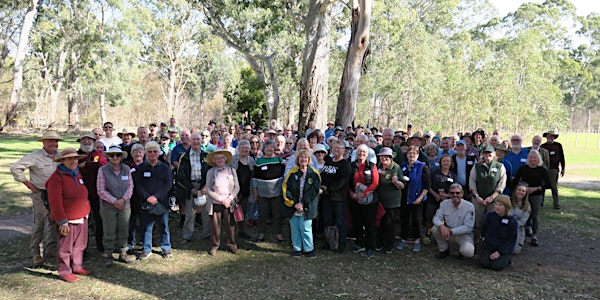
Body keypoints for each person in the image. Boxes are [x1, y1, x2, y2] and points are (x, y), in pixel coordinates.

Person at [10, 130, 62, 267]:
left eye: (55, 141)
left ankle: (50, 249)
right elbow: (15, 168)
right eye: (50, 140)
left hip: (56, 194)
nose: (53, 143)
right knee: (39, 224)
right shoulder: (35, 156)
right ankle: (35, 254)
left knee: (53, 221)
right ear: (44, 142)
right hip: (40, 194)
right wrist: (28, 185)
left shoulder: (60, 155)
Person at [45, 148, 90, 282]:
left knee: (80, 244)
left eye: (75, 158)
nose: (73, 161)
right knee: (65, 247)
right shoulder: (56, 177)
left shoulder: (77, 173)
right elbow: (55, 202)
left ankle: (77, 266)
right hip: (67, 220)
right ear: (62, 161)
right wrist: (62, 221)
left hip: (82, 216)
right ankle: (64, 271)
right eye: (69, 159)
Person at [134, 142, 173, 259]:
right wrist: (147, 197)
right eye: (150, 151)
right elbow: (138, 184)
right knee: (146, 226)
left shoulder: (164, 167)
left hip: (161, 202)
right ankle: (146, 249)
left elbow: (168, 184)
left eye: (155, 151)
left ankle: (166, 248)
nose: (152, 154)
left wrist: (157, 197)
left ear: (159, 152)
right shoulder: (140, 168)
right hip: (146, 202)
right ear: (146, 153)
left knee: (164, 226)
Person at [97, 146, 135, 266]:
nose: (115, 157)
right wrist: (114, 201)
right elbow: (100, 190)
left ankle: (123, 252)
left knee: (124, 229)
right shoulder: (102, 170)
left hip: (125, 205)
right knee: (109, 231)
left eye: (117, 155)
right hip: (108, 206)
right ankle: (108, 254)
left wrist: (123, 200)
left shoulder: (127, 169)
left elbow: (130, 186)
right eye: (112, 155)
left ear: (121, 157)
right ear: (108, 156)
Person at [282, 149, 321, 258]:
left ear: (309, 160)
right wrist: (295, 203)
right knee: (295, 228)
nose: (303, 159)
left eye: (305, 157)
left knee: (306, 228)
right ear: (297, 159)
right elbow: (286, 188)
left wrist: (303, 204)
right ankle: (297, 249)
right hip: (293, 206)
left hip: (307, 207)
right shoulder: (292, 172)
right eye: (301, 157)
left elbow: (314, 190)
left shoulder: (313, 173)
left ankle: (309, 249)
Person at [174, 133, 210, 243]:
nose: (196, 142)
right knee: (190, 213)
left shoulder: (206, 155)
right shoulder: (184, 156)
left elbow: (210, 172)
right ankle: (187, 235)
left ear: (201, 141)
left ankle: (207, 234)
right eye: (193, 139)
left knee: (206, 212)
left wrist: (205, 186)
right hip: (190, 186)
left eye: (198, 139)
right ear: (190, 141)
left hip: (204, 185)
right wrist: (191, 188)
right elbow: (181, 175)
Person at [76, 132, 108, 252]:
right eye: (84, 140)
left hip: (97, 194)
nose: (87, 142)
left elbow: (103, 165)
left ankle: (101, 245)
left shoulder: (98, 154)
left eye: (89, 140)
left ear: (94, 142)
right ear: (80, 142)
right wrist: (91, 166)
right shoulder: (75, 155)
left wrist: (87, 164)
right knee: (81, 222)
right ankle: (81, 248)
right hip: (80, 196)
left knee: (99, 220)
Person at [511, 150, 551, 247]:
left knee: (535, 215)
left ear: (538, 159)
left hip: (536, 195)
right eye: (531, 158)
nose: (533, 159)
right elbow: (515, 181)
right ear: (528, 159)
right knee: (522, 214)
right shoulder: (523, 168)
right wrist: (523, 189)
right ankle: (522, 234)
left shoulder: (542, 170)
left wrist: (537, 188)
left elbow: (549, 184)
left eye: (535, 158)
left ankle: (534, 236)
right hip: (523, 195)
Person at [204, 150, 240, 255]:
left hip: (229, 202)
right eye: (217, 158)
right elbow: (209, 189)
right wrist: (221, 199)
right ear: (214, 161)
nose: (220, 160)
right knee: (215, 226)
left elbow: (237, 186)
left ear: (225, 159)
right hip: (216, 202)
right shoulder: (210, 172)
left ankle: (232, 244)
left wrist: (230, 198)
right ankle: (215, 245)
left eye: (222, 158)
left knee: (230, 225)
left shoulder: (232, 170)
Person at [469, 145, 506, 241]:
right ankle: (477, 241)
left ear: (494, 154)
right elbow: (472, 182)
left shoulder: (500, 167)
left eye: (490, 153)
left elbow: (501, 185)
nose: (487, 154)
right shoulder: (477, 166)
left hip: (494, 200)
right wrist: (477, 196)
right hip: (478, 199)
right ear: (482, 154)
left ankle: (490, 242)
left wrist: (491, 198)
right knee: (477, 222)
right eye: (485, 153)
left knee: (493, 221)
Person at [320, 140, 352, 252]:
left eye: (339, 148)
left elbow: (342, 182)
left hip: (339, 197)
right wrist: (322, 186)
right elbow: (323, 175)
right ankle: (328, 240)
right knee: (327, 220)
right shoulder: (328, 162)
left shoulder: (345, 165)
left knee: (339, 221)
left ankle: (341, 242)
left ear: (344, 151)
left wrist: (329, 189)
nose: (336, 150)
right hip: (326, 197)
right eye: (334, 147)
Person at [397, 146, 430, 252]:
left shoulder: (422, 167)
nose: (412, 155)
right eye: (410, 153)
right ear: (406, 155)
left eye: (414, 153)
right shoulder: (403, 166)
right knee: (405, 218)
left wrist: (420, 198)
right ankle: (403, 238)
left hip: (417, 198)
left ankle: (417, 240)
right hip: (405, 197)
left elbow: (427, 186)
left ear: (418, 155)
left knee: (417, 220)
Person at [349, 144, 380, 258]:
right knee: (357, 222)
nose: (361, 154)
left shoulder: (372, 166)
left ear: (367, 154)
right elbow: (348, 182)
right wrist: (352, 194)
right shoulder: (351, 166)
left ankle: (370, 246)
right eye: (359, 151)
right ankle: (359, 243)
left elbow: (375, 183)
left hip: (369, 200)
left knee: (369, 223)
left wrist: (364, 194)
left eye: (364, 152)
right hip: (355, 199)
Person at [253, 139, 286, 242]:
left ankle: (279, 234)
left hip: (277, 192)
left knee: (277, 215)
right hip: (263, 193)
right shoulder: (258, 161)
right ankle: (261, 234)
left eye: (271, 147)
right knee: (262, 215)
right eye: (267, 147)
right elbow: (254, 177)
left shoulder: (280, 161)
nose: (269, 149)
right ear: (264, 148)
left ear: (274, 148)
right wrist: (255, 190)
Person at [431, 183, 475, 259]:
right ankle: (444, 250)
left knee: (468, 251)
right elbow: (436, 217)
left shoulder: (469, 206)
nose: (455, 195)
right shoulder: (444, 204)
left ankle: (460, 251)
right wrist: (441, 226)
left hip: (463, 235)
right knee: (435, 228)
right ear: (449, 194)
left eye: (457, 193)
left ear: (462, 194)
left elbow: (468, 227)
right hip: (448, 233)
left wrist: (451, 231)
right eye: (452, 193)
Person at [375, 147, 404, 254]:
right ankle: (380, 242)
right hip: (380, 200)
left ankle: (388, 246)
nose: (385, 158)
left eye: (387, 156)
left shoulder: (396, 167)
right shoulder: (378, 166)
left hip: (392, 202)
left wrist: (396, 182)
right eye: (383, 156)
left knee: (389, 224)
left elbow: (402, 186)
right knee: (380, 222)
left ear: (391, 157)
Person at [479, 195, 518, 271]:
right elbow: (484, 229)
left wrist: (499, 252)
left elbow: (512, 241)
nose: (497, 207)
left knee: (496, 266)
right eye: (495, 204)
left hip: (503, 247)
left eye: (500, 205)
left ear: (506, 206)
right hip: (490, 245)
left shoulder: (512, 221)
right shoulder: (489, 216)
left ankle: (507, 258)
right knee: (484, 263)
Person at [426, 154, 457, 243]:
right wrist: (436, 195)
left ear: (451, 163)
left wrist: (447, 196)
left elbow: (456, 189)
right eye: (444, 161)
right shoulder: (434, 173)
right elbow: (428, 186)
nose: (446, 163)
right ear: (440, 162)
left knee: (444, 219)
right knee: (430, 217)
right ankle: (427, 236)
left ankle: (441, 237)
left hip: (447, 201)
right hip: (433, 198)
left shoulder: (453, 175)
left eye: (448, 161)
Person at [229, 140, 255, 239]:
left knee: (243, 211)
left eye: (246, 148)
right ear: (238, 149)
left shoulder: (251, 160)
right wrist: (233, 192)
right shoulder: (233, 160)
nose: (244, 150)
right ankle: (231, 233)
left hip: (246, 190)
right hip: (234, 190)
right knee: (232, 212)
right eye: (242, 148)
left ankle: (242, 231)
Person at [126, 143, 145, 251]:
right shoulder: (128, 167)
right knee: (131, 221)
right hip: (131, 198)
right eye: (135, 152)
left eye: (140, 151)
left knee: (144, 220)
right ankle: (131, 241)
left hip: (144, 198)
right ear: (131, 154)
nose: (138, 154)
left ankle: (143, 240)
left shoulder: (147, 165)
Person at [541, 130, 565, 209]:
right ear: (546, 137)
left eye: (551, 136)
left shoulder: (558, 146)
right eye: (548, 136)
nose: (550, 137)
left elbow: (562, 157)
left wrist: (563, 168)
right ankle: (541, 202)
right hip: (544, 168)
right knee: (542, 186)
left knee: (553, 187)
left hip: (554, 168)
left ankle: (556, 203)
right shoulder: (543, 146)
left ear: (554, 137)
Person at [510, 182, 531, 254]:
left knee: (515, 251)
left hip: (518, 228)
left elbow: (522, 222)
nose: (520, 192)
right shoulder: (508, 201)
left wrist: (512, 225)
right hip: (505, 227)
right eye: (519, 190)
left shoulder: (527, 206)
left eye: (523, 191)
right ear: (515, 190)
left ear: (526, 193)